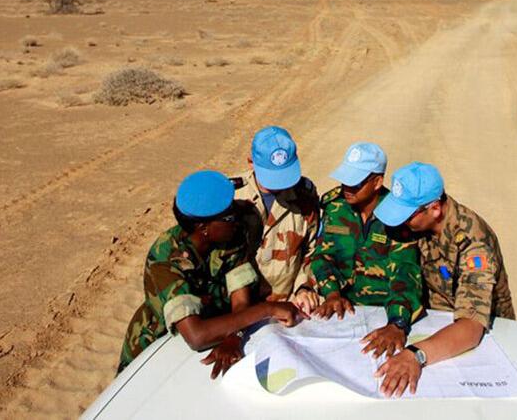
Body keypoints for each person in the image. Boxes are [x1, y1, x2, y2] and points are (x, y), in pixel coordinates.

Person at [118, 170, 301, 377]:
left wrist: (235, 335)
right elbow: (197, 335)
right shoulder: (165, 260)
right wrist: (268, 309)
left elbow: (240, 299)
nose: (236, 219)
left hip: (217, 327)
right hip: (157, 345)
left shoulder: (231, 233)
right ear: (203, 227)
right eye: (229, 216)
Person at [370, 162, 515, 397]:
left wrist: (415, 355)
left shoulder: (473, 242)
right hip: (436, 325)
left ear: (435, 209)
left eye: (406, 215)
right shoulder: (420, 224)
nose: (401, 222)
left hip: (482, 341)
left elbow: (471, 327)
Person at [292, 142, 423, 359]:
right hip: (339, 314)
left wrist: (397, 323)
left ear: (377, 182)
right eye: (345, 181)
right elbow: (323, 255)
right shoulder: (334, 206)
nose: (347, 189)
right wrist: (331, 292)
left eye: (355, 183)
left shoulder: (396, 217)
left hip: (382, 316)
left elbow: (406, 272)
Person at [234, 126, 321, 302]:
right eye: (271, 176)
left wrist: (304, 287)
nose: (280, 185)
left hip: (289, 302)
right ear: (251, 162)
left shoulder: (304, 195)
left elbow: (312, 249)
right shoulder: (233, 197)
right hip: (240, 309)